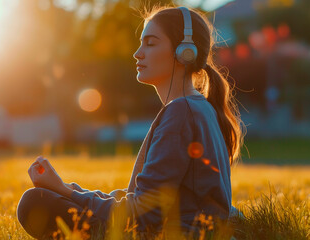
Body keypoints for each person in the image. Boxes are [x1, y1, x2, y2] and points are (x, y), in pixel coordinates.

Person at [16, 5, 244, 239]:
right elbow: (142, 198)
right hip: (181, 228)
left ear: (184, 52)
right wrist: (70, 190)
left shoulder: (181, 112)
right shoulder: (198, 106)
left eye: (151, 43)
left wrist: (63, 191)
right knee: (56, 197)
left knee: (34, 202)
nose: (138, 53)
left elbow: (141, 214)